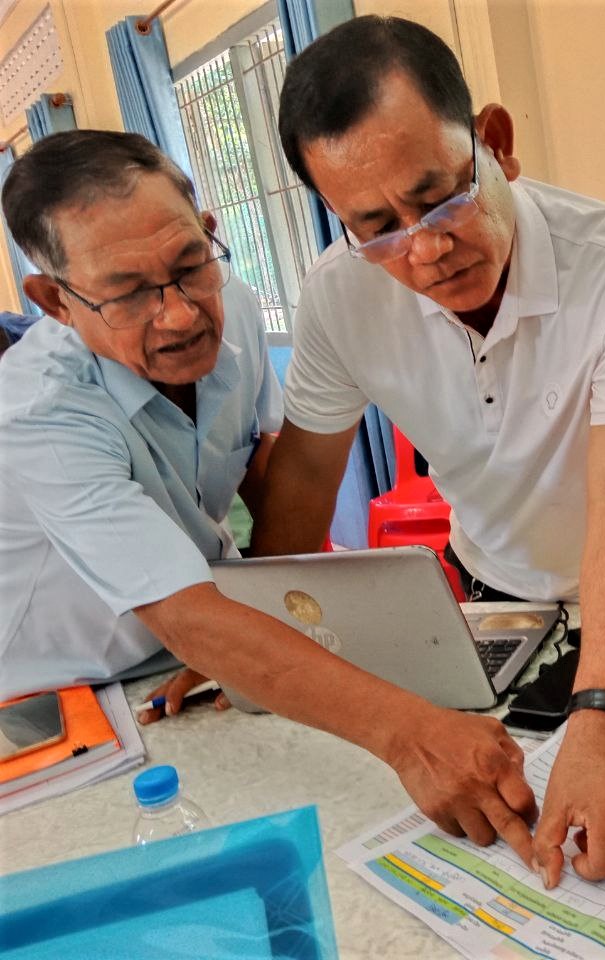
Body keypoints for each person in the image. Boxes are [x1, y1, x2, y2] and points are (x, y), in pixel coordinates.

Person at [0, 131, 542, 875]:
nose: (182, 316)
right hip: (59, 696)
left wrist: (269, 636)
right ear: (56, 302)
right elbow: (185, 611)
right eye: (128, 293)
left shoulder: (241, 317)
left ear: (210, 234)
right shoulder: (40, 413)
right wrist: (412, 735)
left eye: (191, 266)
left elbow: (264, 474)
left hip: (185, 659)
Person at [252, 16, 605, 887]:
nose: (425, 250)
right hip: (489, 588)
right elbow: (303, 479)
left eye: (439, 197)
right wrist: (247, 640)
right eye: (375, 225)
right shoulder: (339, 298)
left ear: (494, 142)